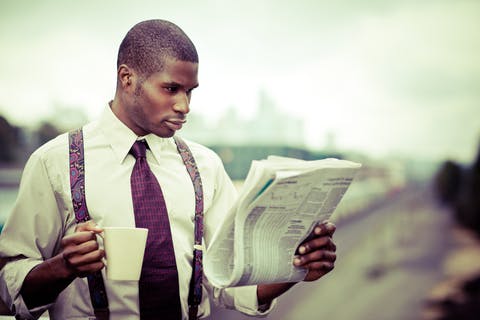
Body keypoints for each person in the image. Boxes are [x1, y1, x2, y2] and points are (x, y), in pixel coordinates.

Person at [0, 19, 337, 319]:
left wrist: (296, 269)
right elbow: (7, 285)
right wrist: (63, 267)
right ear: (127, 78)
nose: (184, 106)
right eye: (171, 89)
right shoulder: (55, 162)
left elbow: (228, 282)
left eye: (190, 92)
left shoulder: (205, 166)